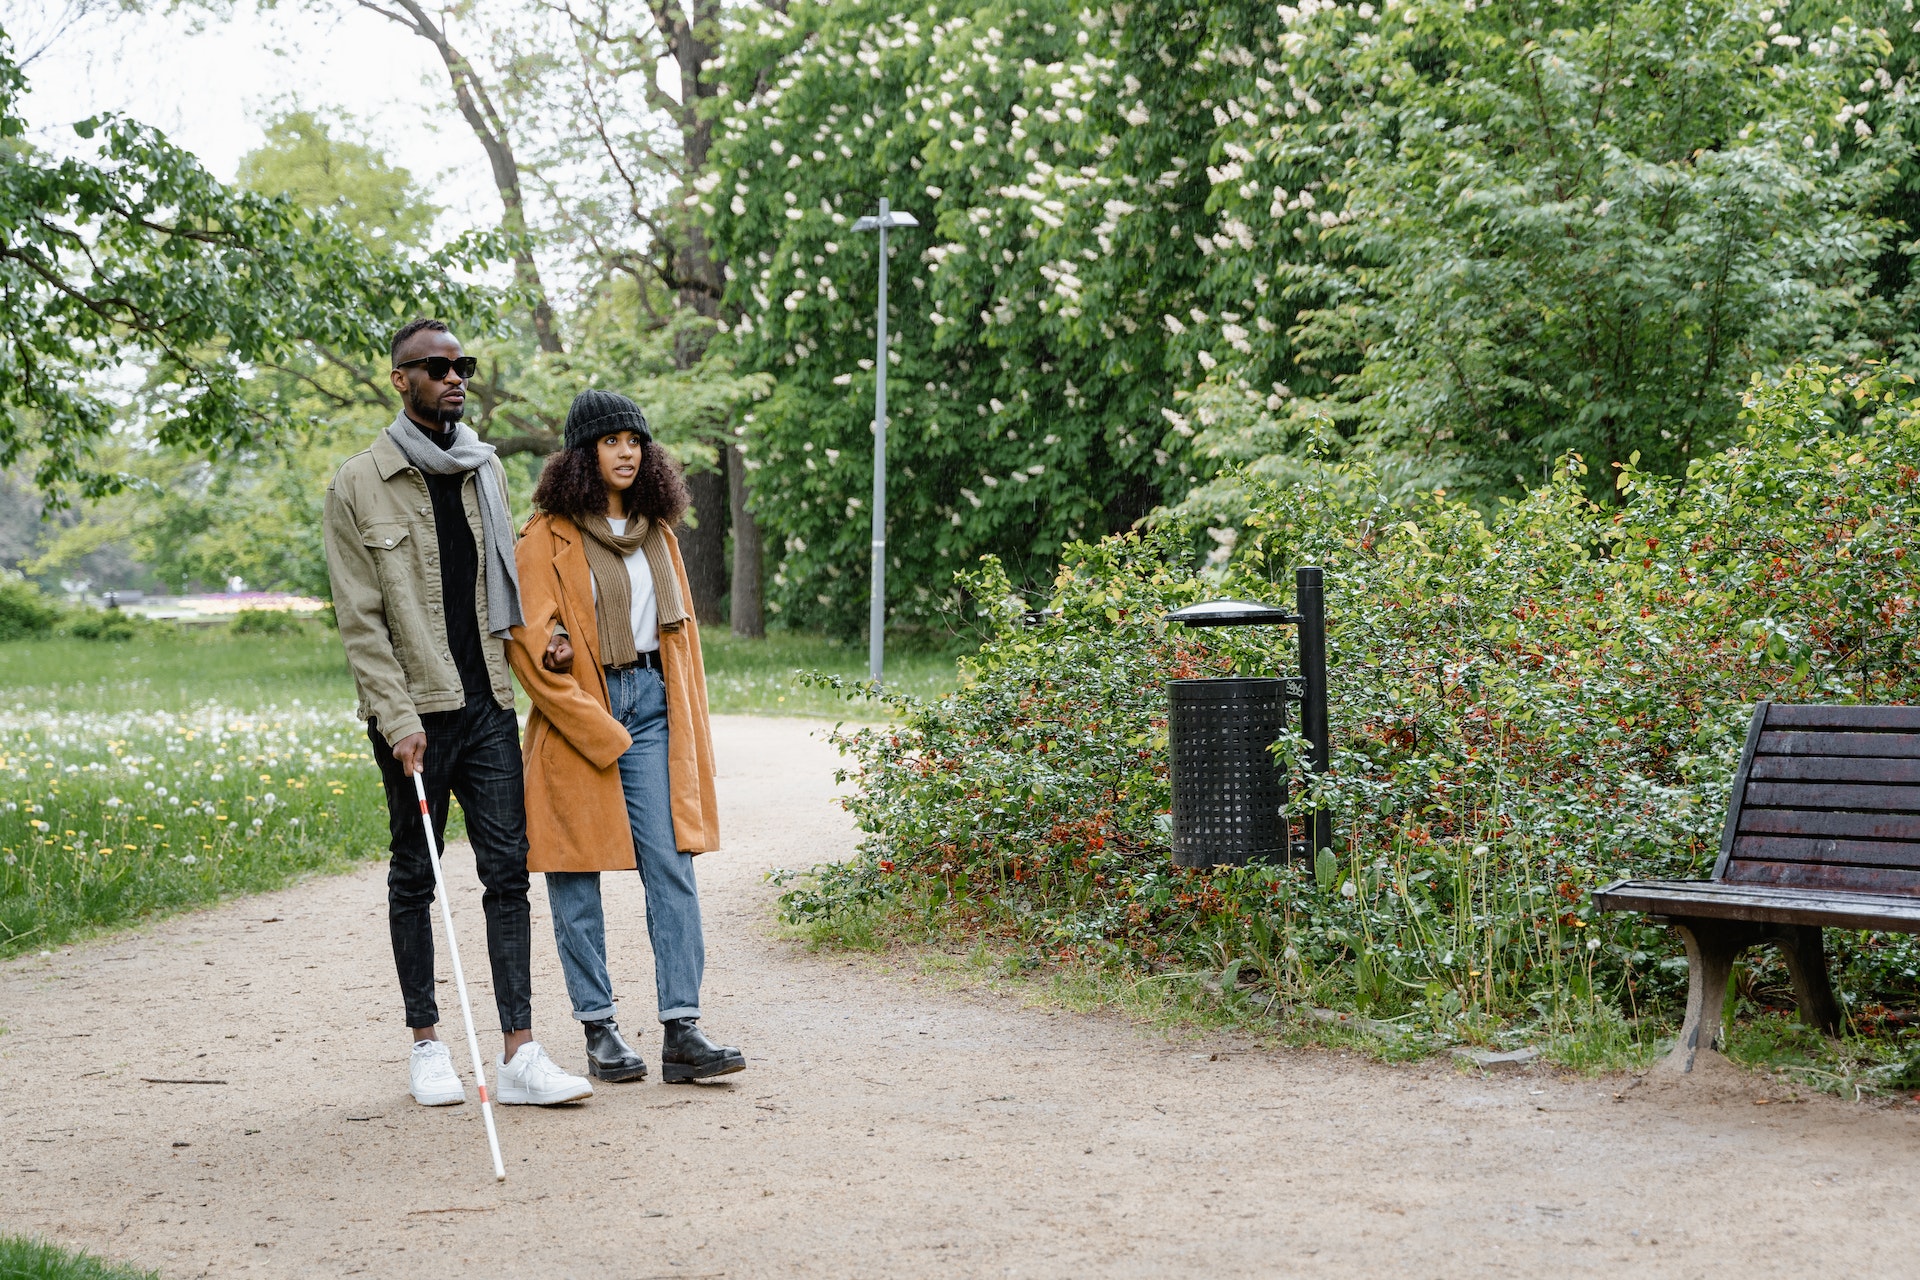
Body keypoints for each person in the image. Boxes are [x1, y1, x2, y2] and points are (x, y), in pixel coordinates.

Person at [324, 318, 593, 1109]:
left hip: (488, 706)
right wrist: (395, 716)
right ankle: (427, 1045)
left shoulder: (485, 469)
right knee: (417, 874)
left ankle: (519, 1053)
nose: (454, 377)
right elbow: (360, 622)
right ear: (399, 379)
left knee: (507, 872)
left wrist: (543, 639)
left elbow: (510, 576)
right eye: (435, 366)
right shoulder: (357, 484)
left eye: (461, 364)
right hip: (415, 713)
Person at [506, 389, 745, 1084]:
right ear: (583, 455)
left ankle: (682, 1029)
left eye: (635, 440)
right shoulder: (545, 537)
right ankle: (600, 1029)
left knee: (672, 868)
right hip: (585, 713)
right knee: (574, 873)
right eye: (610, 441)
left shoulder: (658, 533)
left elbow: (680, 641)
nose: (626, 451)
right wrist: (589, 710)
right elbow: (528, 644)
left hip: (655, 708)